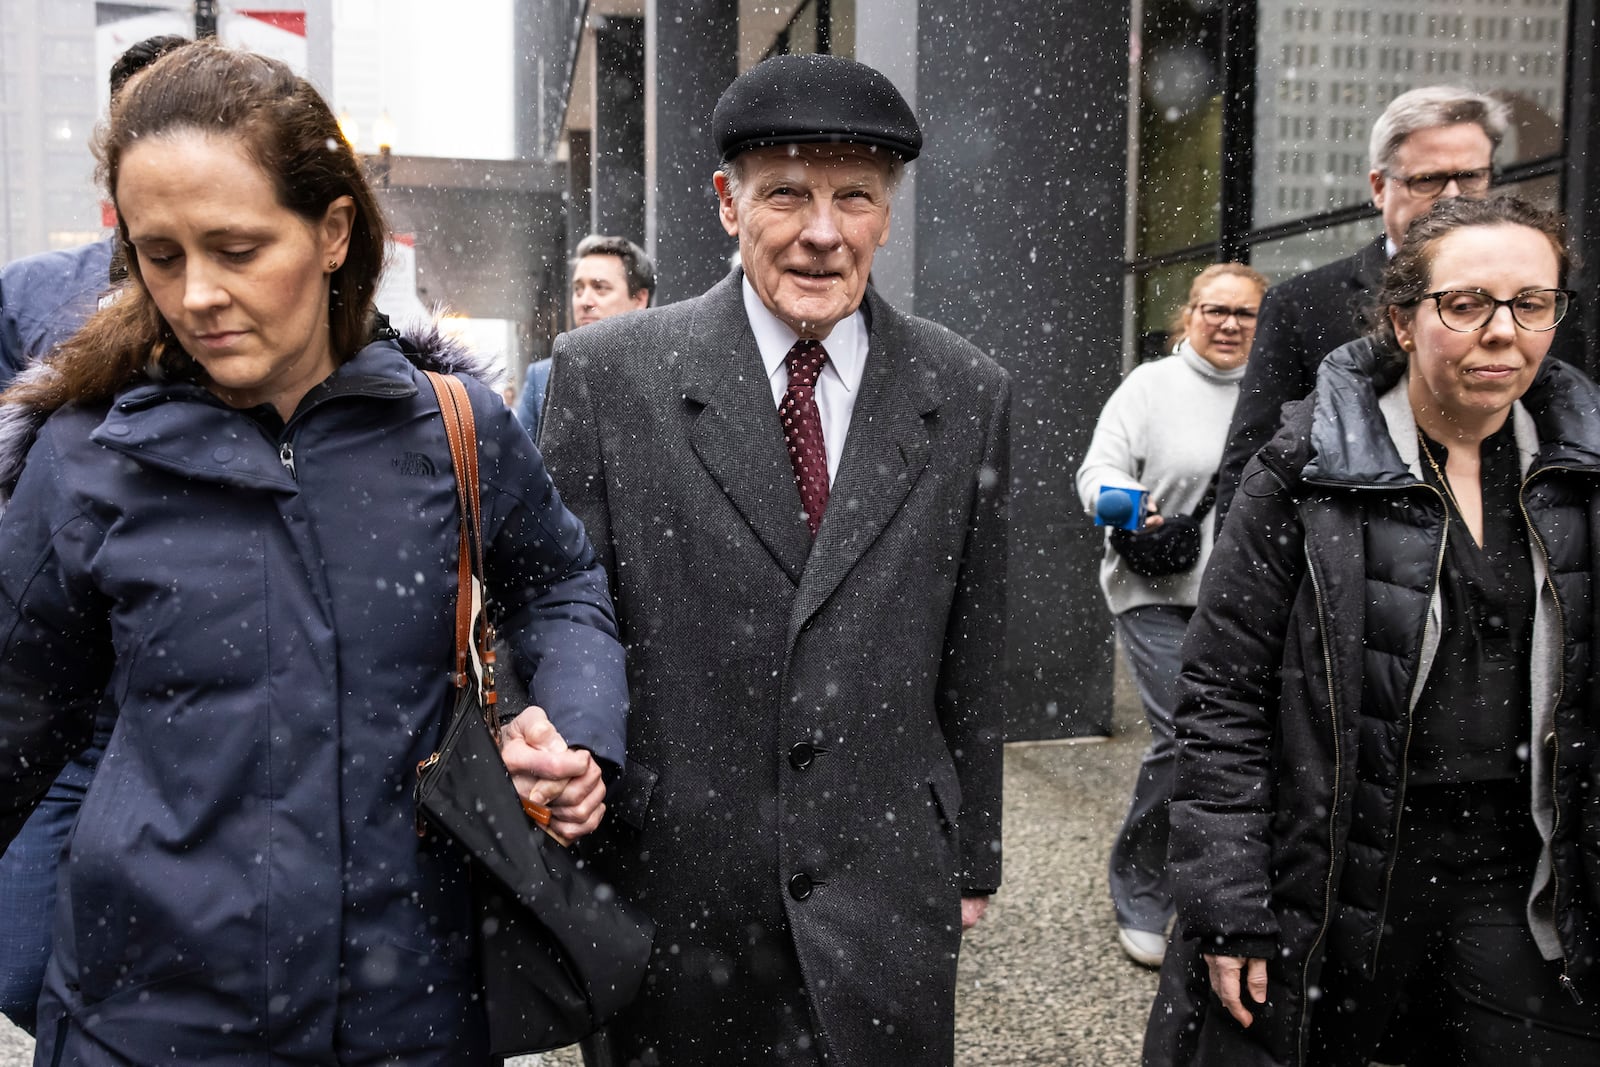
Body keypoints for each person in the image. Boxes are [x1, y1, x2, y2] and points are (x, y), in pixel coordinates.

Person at [0, 42, 627, 1063]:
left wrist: (580, 731)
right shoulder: (86, 458)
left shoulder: (454, 428)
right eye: (161, 255)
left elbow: (562, 586)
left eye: (236, 249)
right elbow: (10, 716)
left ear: (333, 232)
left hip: (411, 1012)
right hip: (147, 1019)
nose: (197, 291)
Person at [540, 53, 1010, 1066]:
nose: (821, 231)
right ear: (726, 202)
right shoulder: (607, 377)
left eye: (854, 197)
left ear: (887, 214)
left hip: (883, 882)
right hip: (674, 883)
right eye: (787, 194)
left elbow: (972, 638)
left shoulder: (966, 387)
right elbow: (559, 609)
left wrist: (971, 851)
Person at [1143, 195, 1600, 1066]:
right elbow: (1221, 694)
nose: (1502, 332)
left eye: (1531, 303)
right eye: (1465, 304)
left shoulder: (1583, 469)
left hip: (1520, 875)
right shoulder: (1304, 468)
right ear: (1402, 319)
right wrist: (1227, 900)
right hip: (1338, 863)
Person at [0, 33, 190, 1035]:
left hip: (187, 687)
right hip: (65, 678)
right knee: (22, 958)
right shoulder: (34, 292)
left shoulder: (259, 284)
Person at [1075, 262, 1267, 969]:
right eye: (1214, 310)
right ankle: (1142, 888)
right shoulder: (1151, 386)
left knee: (1239, 741)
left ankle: (1222, 883)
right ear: (1188, 314)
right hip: (1156, 591)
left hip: (1245, 600)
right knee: (1186, 736)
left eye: (1244, 314)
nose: (1227, 324)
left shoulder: (1274, 390)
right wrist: (1133, 506)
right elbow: (1095, 474)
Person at [1213, 85, 1508, 529]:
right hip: (1348, 569)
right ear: (1379, 187)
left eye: (1471, 177)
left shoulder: (1541, 304)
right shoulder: (1301, 305)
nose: (1453, 196)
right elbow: (1251, 465)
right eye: (1427, 179)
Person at [514, 233, 654, 438]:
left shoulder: (664, 372)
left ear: (640, 299)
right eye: (578, 290)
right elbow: (521, 465)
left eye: (600, 288)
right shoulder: (542, 377)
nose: (584, 301)